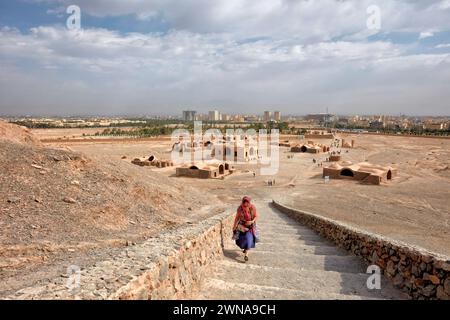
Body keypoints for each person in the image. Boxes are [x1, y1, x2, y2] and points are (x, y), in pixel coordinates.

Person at [232, 196, 258, 262]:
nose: (245, 204)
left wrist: (251, 221)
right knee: (241, 241)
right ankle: (245, 248)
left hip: (250, 227)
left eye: (247, 203)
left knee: (248, 239)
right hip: (242, 227)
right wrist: (234, 227)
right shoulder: (240, 209)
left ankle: (246, 255)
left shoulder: (252, 208)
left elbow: (256, 216)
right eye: (244, 203)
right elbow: (237, 218)